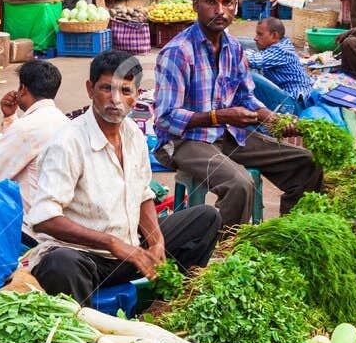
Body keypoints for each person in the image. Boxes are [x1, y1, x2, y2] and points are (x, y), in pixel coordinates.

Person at [30, 51, 222, 304]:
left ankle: (169, 305)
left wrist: (156, 241)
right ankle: (87, 327)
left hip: (130, 253)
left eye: (125, 91)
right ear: (90, 89)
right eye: (106, 89)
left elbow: (143, 195)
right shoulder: (68, 143)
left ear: (137, 95)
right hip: (87, 260)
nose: (115, 100)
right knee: (59, 263)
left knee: (206, 218)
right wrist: (111, 242)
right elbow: (45, 218)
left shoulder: (133, 135)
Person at [154, 0, 323, 226]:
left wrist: (272, 119)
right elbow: (165, 118)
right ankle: (226, 249)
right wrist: (218, 116)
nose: (219, 10)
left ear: (236, 5)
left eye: (227, 3)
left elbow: (245, 96)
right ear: (195, 4)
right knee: (240, 184)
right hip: (184, 141)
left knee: (304, 163)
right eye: (211, 2)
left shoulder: (233, 48)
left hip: (227, 135)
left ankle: (289, 233)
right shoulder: (178, 51)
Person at [0, 58, 71, 221]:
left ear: (23, 89)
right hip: (59, 215)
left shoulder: (27, 127)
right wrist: (10, 116)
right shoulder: (63, 122)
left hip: (30, 221)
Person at [247, 17, 315, 113]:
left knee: (250, 76)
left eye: (260, 34)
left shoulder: (281, 50)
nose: (255, 38)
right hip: (290, 98)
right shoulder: (280, 44)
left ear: (274, 36)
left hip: (293, 105)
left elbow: (250, 61)